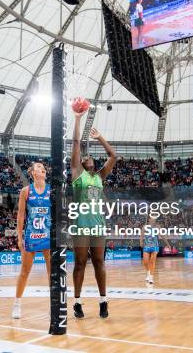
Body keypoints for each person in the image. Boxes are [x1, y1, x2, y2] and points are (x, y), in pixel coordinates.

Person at [71, 100, 117, 319]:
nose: (88, 158)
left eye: (90, 157)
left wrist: (100, 138)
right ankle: (77, 302)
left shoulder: (99, 176)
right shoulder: (77, 174)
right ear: (81, 162)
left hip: (98, 225)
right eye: (84, 157)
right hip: (80, 226)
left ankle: (103, 301)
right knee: (80, 263)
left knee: (99, 262)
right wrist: (78, 119)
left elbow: (114, 157)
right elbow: (75, 142)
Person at [12, 162, 51, 319]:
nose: (42, 168)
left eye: (43, 167)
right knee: (24, 272)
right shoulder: (26, 191)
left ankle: (53, 305)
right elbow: (21, 215)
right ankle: (17, 304)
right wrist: (19, 237)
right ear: (33, 173)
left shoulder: (52, 190)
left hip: (48, 234)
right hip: (32, 235)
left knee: (51, 273)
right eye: (38, 167)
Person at [140, 217, 170, 284]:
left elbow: (162, 235)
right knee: (145, 262)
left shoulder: (158, 227)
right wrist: (141, 242)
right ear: (149, 219)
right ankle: (148, 272)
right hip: (146, 246)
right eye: (152, 219)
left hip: (155, 246)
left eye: (154, 219)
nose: (153, 220)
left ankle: (151, 277)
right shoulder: (144, 227)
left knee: (152, 261)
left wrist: (167, 244)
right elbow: (142, 236)